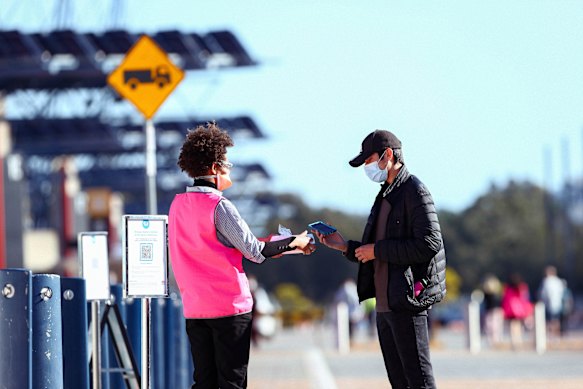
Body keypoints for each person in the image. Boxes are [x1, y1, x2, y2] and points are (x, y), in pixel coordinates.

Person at [168, 122, 314, 389]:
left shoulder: (177, 206)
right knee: (232, 382)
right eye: (226, 164)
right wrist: (296, 240)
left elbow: (221, 246)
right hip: (229, 308)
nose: (228, 169)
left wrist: (286, 245)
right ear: (214, 168)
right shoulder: (220, 206)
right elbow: (255, 252)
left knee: (203, 382)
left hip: (196, 308)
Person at [313, 129, 446, 389]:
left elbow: (430, 243)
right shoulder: (386, 193)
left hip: (407, 301)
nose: (366, 167)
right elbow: (375, 250)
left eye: (368, 159)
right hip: (385, 305)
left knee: (419, 381)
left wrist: (377, 250)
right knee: (399, 382)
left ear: (387, 155)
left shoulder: (414, 190)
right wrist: (344, 247)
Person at [501, 273, 533, 349]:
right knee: (518, 325)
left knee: (513, 326)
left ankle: (514, 341)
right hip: (519, 310)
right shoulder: (521, 287)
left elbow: (504, 299)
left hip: (510, 310)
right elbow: (525, 298)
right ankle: (518, 340)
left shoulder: (507, 288)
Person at [537, 266, 566, 338]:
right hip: (558, 304)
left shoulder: (546, 281)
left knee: (549, 321)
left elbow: (543, 294)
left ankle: (551, 335)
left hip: (548, 304)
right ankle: (556, 335)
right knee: (556, 320)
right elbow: (562, 292)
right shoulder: (559, 281)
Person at [481, 273, 503, 346]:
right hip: (494, 311)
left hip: (491, 311)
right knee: (495, 326)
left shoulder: (487, 293)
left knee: (490, 326)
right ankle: (495, 340)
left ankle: (492, 340)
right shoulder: (497, 293)